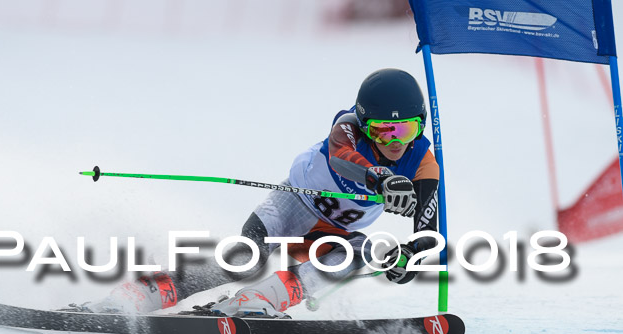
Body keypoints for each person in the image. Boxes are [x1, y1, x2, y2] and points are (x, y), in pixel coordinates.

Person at [81, 68, 440, 317]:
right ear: (364, 124)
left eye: (405, 130)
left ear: (420, 124)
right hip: (292, 205)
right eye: (381, 131)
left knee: (363, 250)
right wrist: (380, 179)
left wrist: (409, 256)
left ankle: (260, 299)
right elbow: (343, 158)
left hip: (333, 233)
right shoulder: (347, 127)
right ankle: (138, 294)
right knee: (245, 259)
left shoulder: (424, 165)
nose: (393, 142)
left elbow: (429, 234)